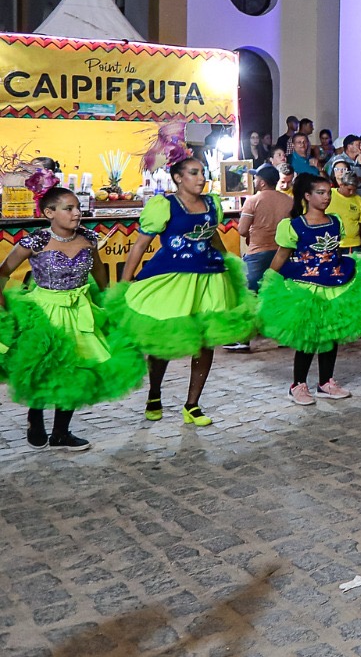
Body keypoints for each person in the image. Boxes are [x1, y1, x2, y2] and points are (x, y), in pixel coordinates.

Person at [107, 147, 256, 427]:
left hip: (210, 279)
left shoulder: (212, 204)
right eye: (193, 173)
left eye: (203, 173)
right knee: (165, 337)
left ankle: (193, 404)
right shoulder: (164, 205)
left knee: (206, 340)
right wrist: (125, 282)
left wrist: (228, 264)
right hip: (172, 279)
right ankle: (154, 393)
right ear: (178, 177)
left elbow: (213, 239)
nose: (201, 178)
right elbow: (141, 244)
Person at [0, 187, 141, 450]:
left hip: (80, 311)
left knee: (78, 367)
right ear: (49, 213)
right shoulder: (35, 242)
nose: (77, 213)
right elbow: (3, 272)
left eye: (78, 207)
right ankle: (35, 415)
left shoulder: (89, 238)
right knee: (43, 366)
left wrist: (106, 303)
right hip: (44, 312)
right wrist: (5, 307)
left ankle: (61, 433)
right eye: (69, 208)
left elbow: (100, 271)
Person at [258, 173, 361, 404]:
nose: (326, 198)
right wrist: (269, 282)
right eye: (320, 193)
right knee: (309, 337)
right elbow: (281, 255)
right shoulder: (293, 225)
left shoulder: (335, 221)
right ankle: (298, 385)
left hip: (335, 283)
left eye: (327, 192)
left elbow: (336, 252)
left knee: (330, 335)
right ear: (307, 196)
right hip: (306, 287)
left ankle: (325, 382)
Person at [234, 163, 294, 346]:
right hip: (282, 253)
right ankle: (284, 336)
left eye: (256, 177)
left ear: (261, 182)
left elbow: (242, 229)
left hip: (257, 253)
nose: (254, 180)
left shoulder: (253, 201)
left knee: (249, 295)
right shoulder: (289, 201)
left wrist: (248, 236)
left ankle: (243, 340)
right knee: (280, 294)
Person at [328, 162, 361, 254]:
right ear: (341, 185)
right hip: (331, 244)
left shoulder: (358, 200)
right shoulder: (329, 194)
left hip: (353, 245)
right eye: (349, 189)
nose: (352, 192)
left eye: (354, 189)